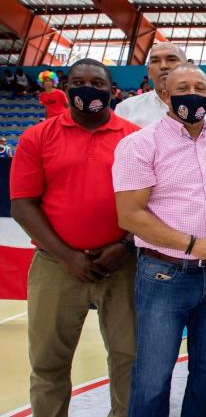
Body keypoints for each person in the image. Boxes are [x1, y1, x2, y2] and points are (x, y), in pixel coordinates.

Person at [113, 64, 206, 416]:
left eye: (200, 88)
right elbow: (130, 215)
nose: (193, 93)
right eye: (183, 86)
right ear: (164, 95)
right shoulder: (139, 145)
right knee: (154, 374)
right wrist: (193, 244)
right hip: (164, 274)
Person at [10, 59, 139, 417]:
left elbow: (151, 201)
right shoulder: (38, 136)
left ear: (112, 91)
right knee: (49, 362)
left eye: (97, 83)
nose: (88, 89)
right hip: (56, 265)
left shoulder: (135, 138)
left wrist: (125, 245)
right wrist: (67, 255)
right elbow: (22, 205)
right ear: (66, 90)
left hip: (123, 264)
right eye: (79, 82)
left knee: (129, 359)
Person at [116, 42, 206, 141]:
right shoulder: (125, 110)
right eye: (155, 61)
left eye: (171, 59)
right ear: (149, 71)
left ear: (188, 66)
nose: (163, 66)